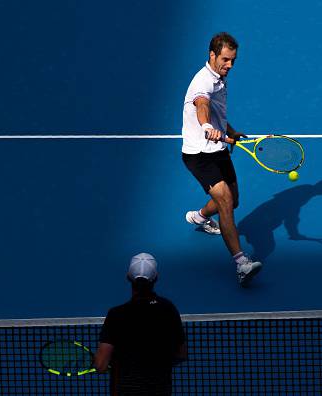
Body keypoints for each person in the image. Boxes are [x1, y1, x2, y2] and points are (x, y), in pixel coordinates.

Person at [181, 32, 262, 285]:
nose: (230, 65)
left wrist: (229, 131)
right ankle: (241, 263)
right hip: (199, 154)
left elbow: (217, 112)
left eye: (233, 60)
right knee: (225, 201)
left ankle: (200, 216)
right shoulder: (202, 82)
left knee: (234, 200)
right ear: (212, 55)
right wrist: (206, 127)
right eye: (225, 60)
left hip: (218, 150)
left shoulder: (220, 78)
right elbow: (203, 105)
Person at [94, 253, 187, 396]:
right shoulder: (168, 309)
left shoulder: (116, 314)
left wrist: (119, 362)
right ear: (156, 278)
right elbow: (181, 353)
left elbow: (101, 365)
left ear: (128, 277)